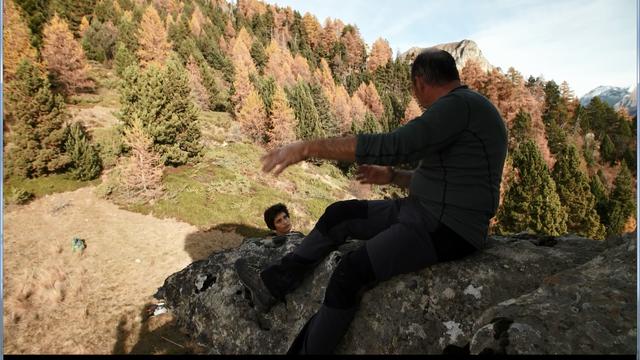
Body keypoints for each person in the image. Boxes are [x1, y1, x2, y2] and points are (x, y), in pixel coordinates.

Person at [234, 48, 508, 354]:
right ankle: (273, 284)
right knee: (340, 214)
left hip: (445, 229)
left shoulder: (457, 107)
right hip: (424, 211)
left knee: (349, 273)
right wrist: (392, 177)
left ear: (419, 82)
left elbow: (396, 145)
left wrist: (306, 148)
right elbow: (446, 180)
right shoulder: (466, 108)